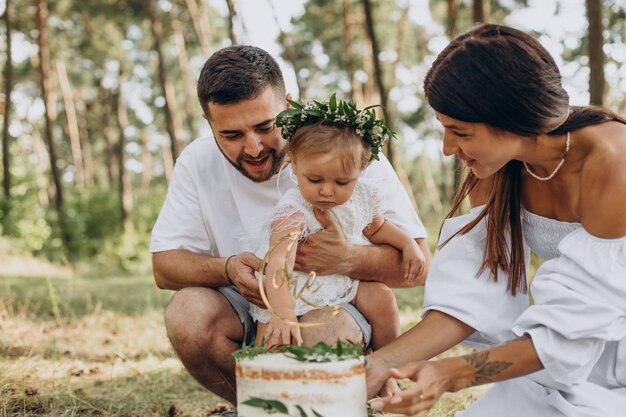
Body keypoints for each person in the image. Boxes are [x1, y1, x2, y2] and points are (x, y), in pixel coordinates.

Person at [367, 23, 626, 417]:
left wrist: (450, 375)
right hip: (566, 355)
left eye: (459, 132)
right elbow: (472, 294)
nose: (447, 148)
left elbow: (575, 329)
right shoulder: (501, 170)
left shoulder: (613, 166)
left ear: (510, 118)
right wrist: (378, 364)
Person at [149, 45, 432, 405]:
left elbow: (419, 267)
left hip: (335, 304)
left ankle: (352, 394)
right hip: (257, 309)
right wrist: (228, 269)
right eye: (231, 135)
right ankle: (260, 408)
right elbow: (164, 267)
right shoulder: (197, 161)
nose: (252, 148)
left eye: (265, 127)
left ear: (289, 106)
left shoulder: (348, 153)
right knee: (187, 314)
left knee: (323, 330)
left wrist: (346, 259)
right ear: (209, 124)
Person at [252, 96, 426, 351]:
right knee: (273, 339)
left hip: (345, 280)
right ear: (294, 162)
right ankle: (269, 380)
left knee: (383, 298)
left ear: (361, 169)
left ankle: (386, 366)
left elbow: (377, 228)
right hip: (296, 288)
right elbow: (279, 261)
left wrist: (408, 243)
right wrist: (282, 310)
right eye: (314, 179)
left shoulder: (363, 196)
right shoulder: (293, 210)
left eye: (342, 183)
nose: (327, 191)